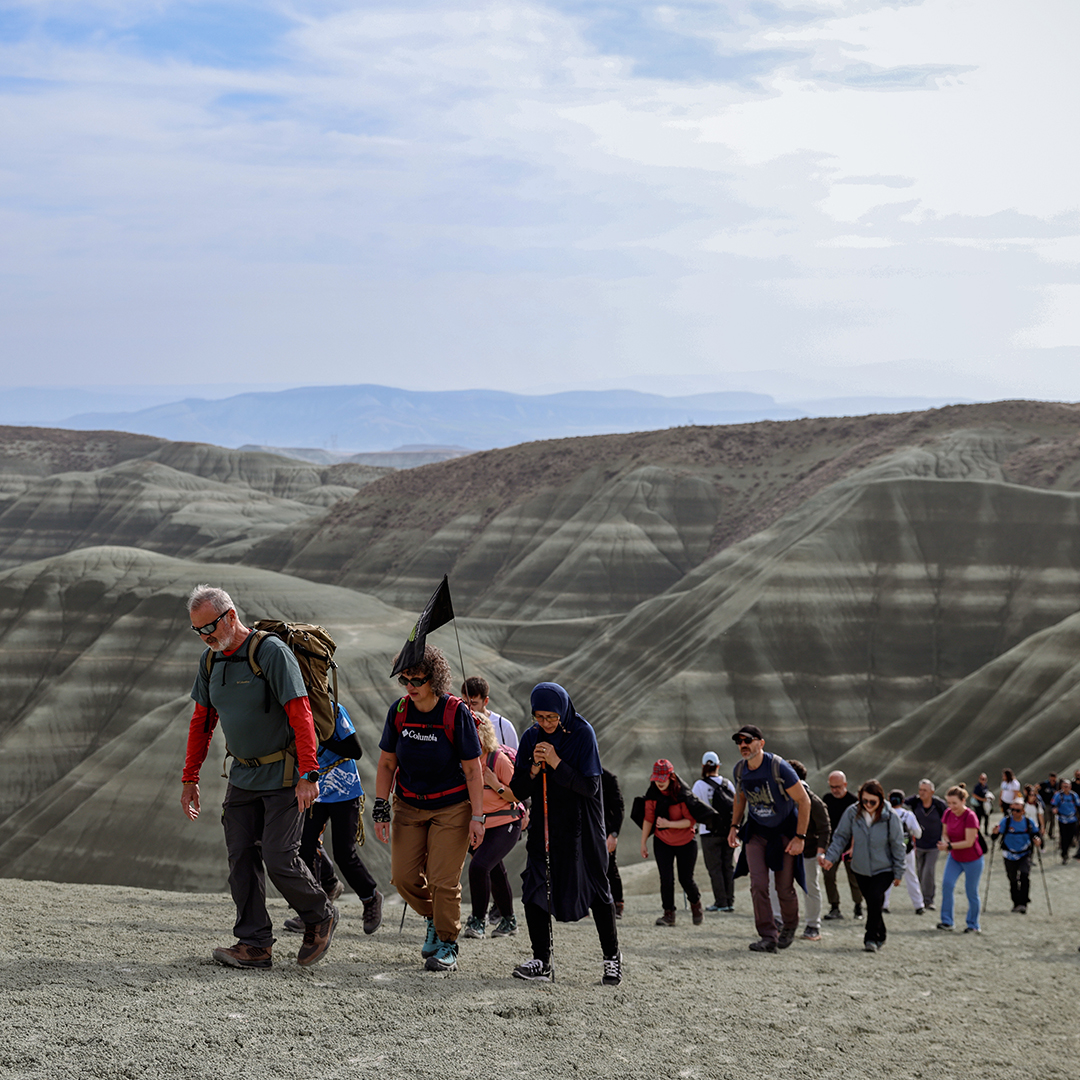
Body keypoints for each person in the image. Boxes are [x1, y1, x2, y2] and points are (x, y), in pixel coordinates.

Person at [180, 585, 337, 969]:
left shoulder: (270, 653)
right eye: (198, 631)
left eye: (210, 627)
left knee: (279, 856)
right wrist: (190, 777)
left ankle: (320, 915)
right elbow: (202, 722)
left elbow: (301, 713)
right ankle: (254, 944)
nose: (205, 637)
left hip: (284, 775)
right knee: (240, 858)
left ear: (231, 616)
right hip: (243, 777)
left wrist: (309, 773)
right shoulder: (210, 662)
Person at [373, 645, 485, 973]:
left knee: (442, 879)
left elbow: (473, 770)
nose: (410, 685)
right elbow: (386, 764)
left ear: (433, 679)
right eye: (404, 678)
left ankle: (448, 942)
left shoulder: (454, 712)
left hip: (452, 809)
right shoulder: (399, 711)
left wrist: (478, 817)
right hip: (408, 806)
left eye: (417, 679)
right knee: (403, 877)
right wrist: (381, 808)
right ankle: (434, 919)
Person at [509, 682, 621, 985]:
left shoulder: (582, 733)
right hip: (546, 827)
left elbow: (590, 787)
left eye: (551, 717)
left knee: (597, 889)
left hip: (583, 828)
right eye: (539, 717)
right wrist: (533, 767)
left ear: (564, 712)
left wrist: (556, 762)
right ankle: (541, 961)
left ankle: (612, 959)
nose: (545, 724)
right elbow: (517, 789)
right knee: (534, 887)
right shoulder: (531, 738)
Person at [284, 703, 383, 938]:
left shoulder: (332, 710)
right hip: (314, 790)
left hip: (344, 789)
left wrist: (319, 738)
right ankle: (314, 910)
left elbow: (355, 750)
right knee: (305, 848)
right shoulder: (290, 709)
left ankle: (370, 897)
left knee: (344, 853)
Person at [726, 724, 811, 953]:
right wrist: (734, 826)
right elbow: (740, 799)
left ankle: (790, 926)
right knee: (758, 885)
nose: (743, 745)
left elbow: (804, 801)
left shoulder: (778, 768)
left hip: (783, 833)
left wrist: (800, 837)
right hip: (756, 833)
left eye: (748, 740)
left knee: (784, 888)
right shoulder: (740, 770)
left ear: (761, 743)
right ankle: (767, 936)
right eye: (739, 742)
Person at [821, 780, 904, 952]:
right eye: (864, 801)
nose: (868, 805)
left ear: (881, 800)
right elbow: (841, 837)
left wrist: (898, 871)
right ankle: (881, 932)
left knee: (874, 897)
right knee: (873, 902)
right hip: (859, 867)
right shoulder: (852, 812)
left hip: (884, 868)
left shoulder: (891, 817)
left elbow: (898, 845)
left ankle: (871, 938)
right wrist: (830, 857)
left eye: (872, 801)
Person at [463, 714, 523, 940]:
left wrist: (495, 785)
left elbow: (517, 794)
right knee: (495, 872)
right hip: (476, 824)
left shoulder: (497, 760)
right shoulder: (463, 761)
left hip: (505, 822)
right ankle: (509, 921)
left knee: (479, 867)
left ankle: (478, 921)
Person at [641, 759, 703, 927]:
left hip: (686, 842)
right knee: (666, 879)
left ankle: (696, 904)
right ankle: (669, 914)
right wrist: (643, 842)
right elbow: (648, 818)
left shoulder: (682, 794)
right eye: (657, 778)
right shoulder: (652, 793)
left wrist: (668, 824)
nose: (659, 782)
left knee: (686, 879)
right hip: (662, 841)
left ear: (671, 776)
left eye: (663, 778)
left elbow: (690, 822)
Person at [788, 760, 830, 942]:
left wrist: (821, 851)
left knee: (810, 888)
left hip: (809, 852)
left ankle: (813, 925)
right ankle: (779, 921)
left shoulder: (813, 800)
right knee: (778, 887)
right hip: (785, 851)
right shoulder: (783, 797)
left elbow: (824, 828)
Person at [935, 784, 984, 933]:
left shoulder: (970, 816)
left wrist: (949, 846)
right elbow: (945, 832)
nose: (951, 806)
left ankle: (973, 924)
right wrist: (946, 841)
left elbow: (969, 842)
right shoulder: (948, 813)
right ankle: (947, 921)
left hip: (972, 859)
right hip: (955, 858)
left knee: (971, 892)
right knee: (947, 885)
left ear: (963, 801)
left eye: (954, 803)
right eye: (949, 803)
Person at [692, 751, 735, 913]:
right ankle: (730, 901)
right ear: (718, 766)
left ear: (704, 766)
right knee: (728, 866)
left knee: (715, 868)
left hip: (708, 832)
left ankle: (721, 902)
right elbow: (736, 805)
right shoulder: (728, 784)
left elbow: (694, 808)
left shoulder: (699, 785)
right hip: (727, 831)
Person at [821, 771, 863, 921]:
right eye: (832, 787)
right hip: (832, 845)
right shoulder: (827, 799)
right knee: (828, 875)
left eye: (838, 787)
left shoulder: (853, 802)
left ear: (845, 785)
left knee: (854, 877)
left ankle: (858, 906)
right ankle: (834, 907)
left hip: (850, 845)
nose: (834, 790)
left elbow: (857, 826)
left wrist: (853, 847)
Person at [993, 797, 1042, 913]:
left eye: (1017, 810)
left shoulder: (1029, 822)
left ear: (1023, 811)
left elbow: (1036, 834)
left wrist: (1038, 840)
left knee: (1024, 876)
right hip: (1009, 854)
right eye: (1012, 810)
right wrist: (994, 833)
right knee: (1013, 879)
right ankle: (1016, 902)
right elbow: (995, 837)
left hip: (1024, 853)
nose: (1014, 812)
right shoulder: (1006, 821)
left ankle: (1023, 903)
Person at [905, 780, 947, 911]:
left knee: (928, 871)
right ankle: (921, 899)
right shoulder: (915, 803)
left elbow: (947, 818)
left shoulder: (939, 805)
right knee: (920, 872)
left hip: (934, 845)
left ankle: (929, 900)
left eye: (925, 790)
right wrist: (914, 797)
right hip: (918, 845)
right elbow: (903, 802)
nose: (922, 793)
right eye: (920, 790)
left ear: (932, 792)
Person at [884, 789, 925, 914]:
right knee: (911, 877)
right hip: (907, 851)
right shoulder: (908, 815)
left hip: (889, 851)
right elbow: (918, 834)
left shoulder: (885, 814)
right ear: (903, 801)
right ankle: (919, 905)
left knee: (886, 877)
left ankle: (883, 904)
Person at [462, 676, 518, 751]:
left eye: (474, 703)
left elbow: (515, 757)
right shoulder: (461, 724)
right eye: (465, 703)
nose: (469, 708)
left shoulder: (504, 726)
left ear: (485, 701)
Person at [602, 768, 626, 918]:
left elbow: (619, 808)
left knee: (610, 867)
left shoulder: (609, 778)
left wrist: (614, 834)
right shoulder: (577, 775)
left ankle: (618, 904)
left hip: (606, 833)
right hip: (584, 832)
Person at [1050, 779, 1080, 863]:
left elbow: (1078, 806)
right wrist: (1054, 809)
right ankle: (1064, 854)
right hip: (1062, 819)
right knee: (1064, 837)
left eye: (1067, 786)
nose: (1065, 788)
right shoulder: (1058, 795)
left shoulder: (1074, 795)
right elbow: (1053, 804)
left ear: (1070, 787)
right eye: (1064, 786)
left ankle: (1067, 849)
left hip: (1072, 819)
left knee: (1071, 837)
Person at [1039, 773, 1059, 840]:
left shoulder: (1057, 785)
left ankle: (1050, 833)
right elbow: (1039, 790)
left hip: (1053, 805)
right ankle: (1042, 832)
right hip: (1046, 804)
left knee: (1052, 820)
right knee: (1046, 819)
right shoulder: (1044, 784)